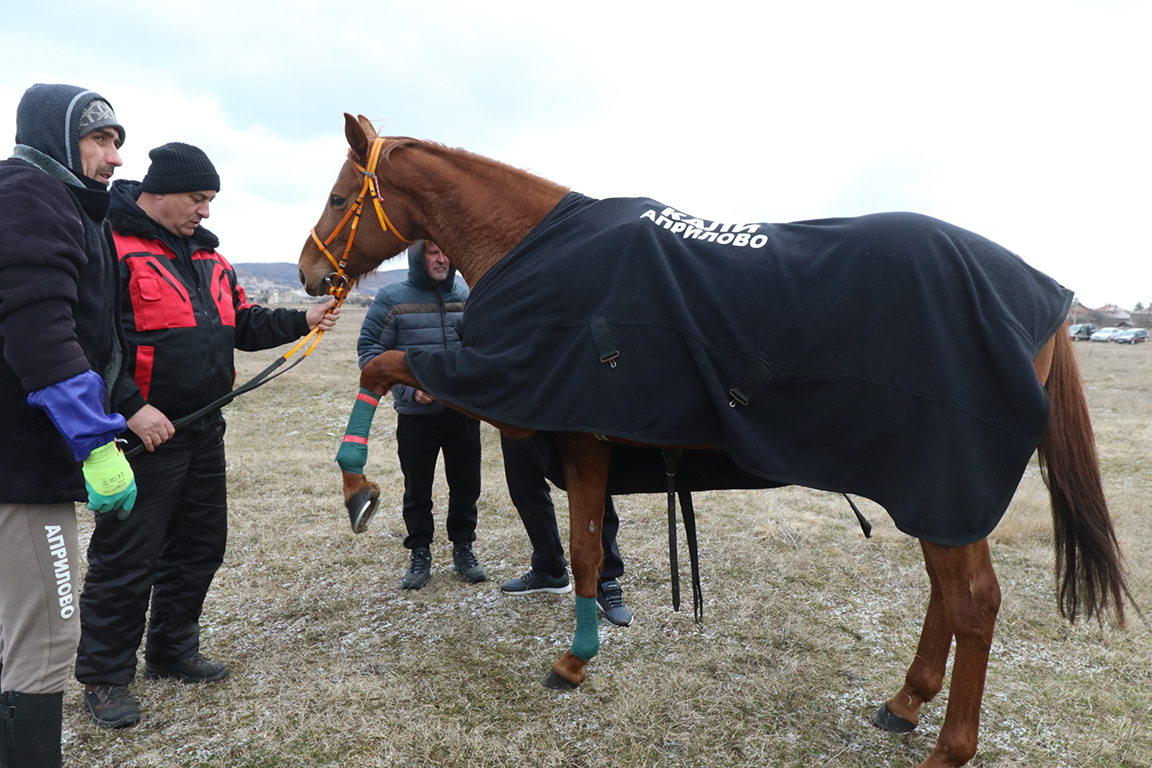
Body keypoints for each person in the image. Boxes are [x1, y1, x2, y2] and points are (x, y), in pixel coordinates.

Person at [74, 142, 340, 729]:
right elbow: (90, 346)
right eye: (198, 199)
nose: (206, 212)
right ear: (161, 191)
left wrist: (303, 319)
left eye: (211, 201)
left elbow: (240, 324)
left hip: (204, 432)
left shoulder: (211, 261)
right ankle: (104, 676)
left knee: (199, 548)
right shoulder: (108, 247)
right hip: (139, 438)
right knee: (126, 560)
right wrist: (131, 408)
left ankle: (171, 651)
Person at [0, 83, 134, 767]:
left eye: (116, 140)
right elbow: (39, 330)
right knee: (45, 642)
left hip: (23, 463)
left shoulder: (67, 205)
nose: (113, 154)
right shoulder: (30, 193)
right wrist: (95, 441)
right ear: (55, 135)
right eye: (100, 138)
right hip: (21, 471)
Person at [348, 240, 485, 590]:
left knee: (466, 484)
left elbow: (481, 348)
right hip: (416, 415)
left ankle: (463, 547)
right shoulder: (392, 299)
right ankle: (419, 551)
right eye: (432, 252)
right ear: (417, 256)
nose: (441, 258)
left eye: (445, 251)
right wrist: (410, 389)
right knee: (417, 488)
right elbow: (370, 354)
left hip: (462, 411)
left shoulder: (467, 294)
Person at [499, 435, 633, 627]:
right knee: (522, 476)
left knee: (589, 474)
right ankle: (549, 569)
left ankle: (605, 578)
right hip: (519, 408)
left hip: (570, 408)